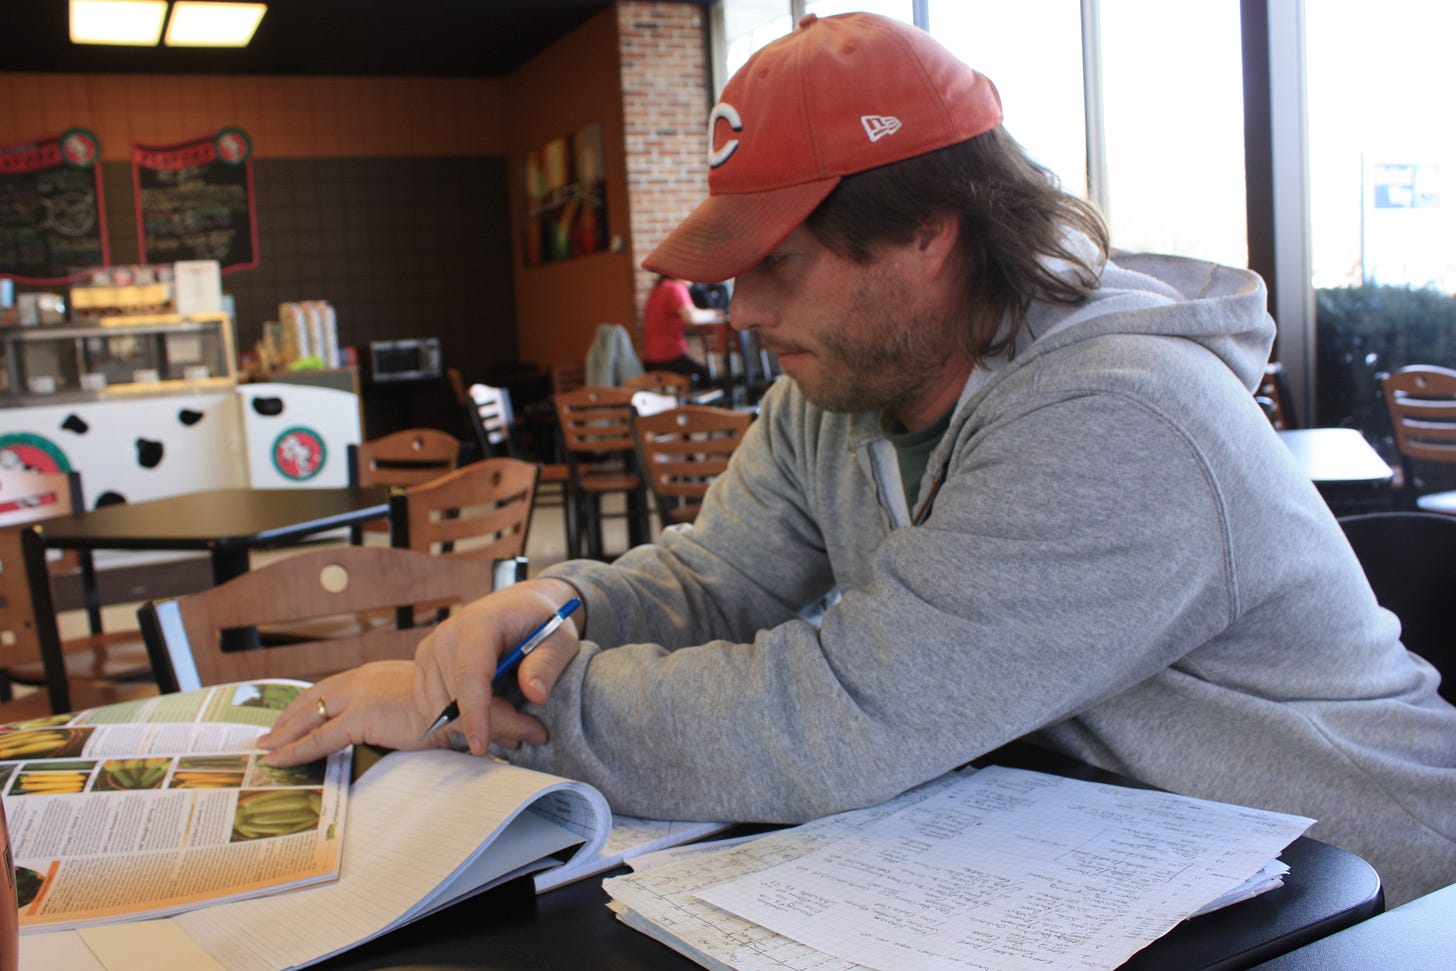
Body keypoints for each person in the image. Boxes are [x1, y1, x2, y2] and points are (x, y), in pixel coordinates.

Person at [263, 12, 1456, 906]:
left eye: (776, 259)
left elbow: (842, 711)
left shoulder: (1123, 416)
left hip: (1360, 893)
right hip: (1109, 866)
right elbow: (713, 578)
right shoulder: (837, 387)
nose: (735, 308)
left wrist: (476, 711)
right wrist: (552, 600)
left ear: (928, 231)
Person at [641, 273, 718, 384]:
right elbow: (692, 317)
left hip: (651, 362)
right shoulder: (674, 287)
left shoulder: (659, 287)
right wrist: (716, 313)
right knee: (706, 379)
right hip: (668, 359)